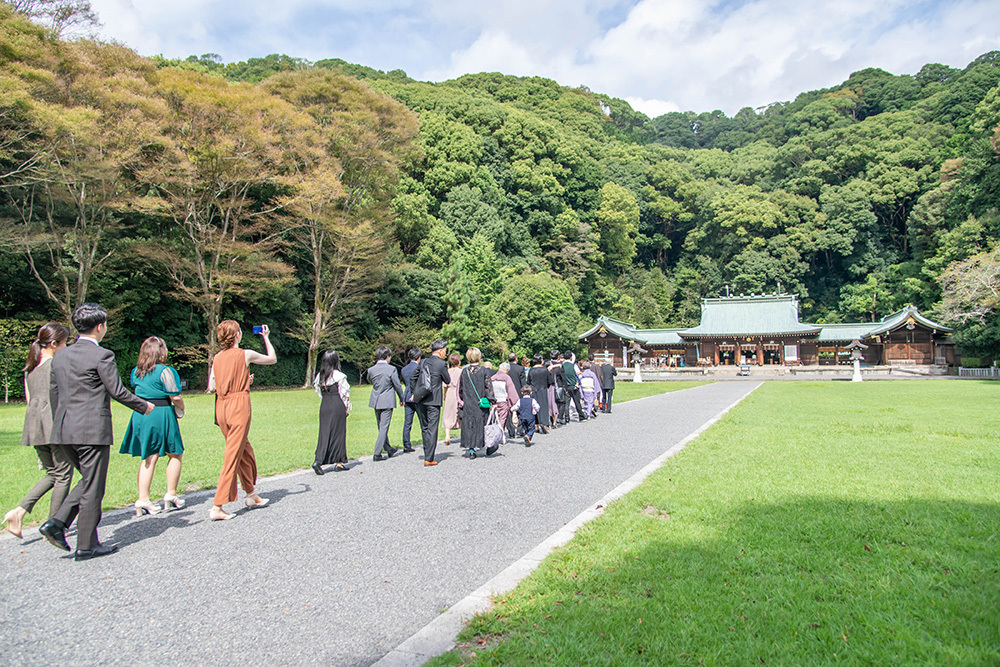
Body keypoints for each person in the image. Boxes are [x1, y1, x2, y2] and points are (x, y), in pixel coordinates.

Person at [39, 304, 153, 561]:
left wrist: (60, 424)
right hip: (91, 430)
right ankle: (85, 544)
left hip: (63, 429)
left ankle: (57, 524)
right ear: (100, 327)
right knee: (93, 487)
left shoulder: (60, 356)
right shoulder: (102, 355)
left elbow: (54, 394)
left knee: (89, 481)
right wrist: (142, 405)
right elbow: (117, 390)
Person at [4, 324, 72, 539]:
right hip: (53, 423)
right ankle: (53, 525)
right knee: (63, 475)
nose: (66, 347)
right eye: (64, 343)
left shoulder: (30, 368)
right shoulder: (55, 366)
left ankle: (19, 512)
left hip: (35, 425)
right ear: (53, 344)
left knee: (53, 473)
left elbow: (29, 398)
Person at [207, 321, 276, 521]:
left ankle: (251, 494)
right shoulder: (245, 354)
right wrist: (266, 337)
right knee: (232, 454)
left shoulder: (217, 358)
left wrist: (242, 379)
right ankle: (217, 505)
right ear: (237, 334)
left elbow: (212, 386)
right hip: (238, 405)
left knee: (244, 450)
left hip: (221, 406)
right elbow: (272, 358)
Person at [118, 337, 186, 516]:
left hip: (141, 413)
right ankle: (171, 494)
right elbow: (175, 396)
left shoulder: (136, 372)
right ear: (160, 352)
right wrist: (181, 408)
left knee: (149, 457)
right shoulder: (165, 371)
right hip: (161, 412)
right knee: (175, 453)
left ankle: (143, 498)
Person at [415, 340, 451, 466]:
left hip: (421, 399)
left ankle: (427, 453)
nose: (445, 354)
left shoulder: (423, 361)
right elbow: (447, 380)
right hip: (434, 399)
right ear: (440, 351)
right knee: (432, 428)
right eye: (445, 351)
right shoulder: (441, 364)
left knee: (424, 427)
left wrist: (415, 391)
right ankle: (429, 458)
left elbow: (413, 376)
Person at [313, 350, 350, 474]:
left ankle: (318, 460)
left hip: (325, 405)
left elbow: (318, 392)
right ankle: (338, 462)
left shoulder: (320, 376)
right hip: (336, 404)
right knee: (338, 433)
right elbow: (344, 393)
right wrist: (346, 407)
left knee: (324, 433)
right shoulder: (339, 375)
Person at [367, 345, 404, 461]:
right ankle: (377, 453)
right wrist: (402, 397)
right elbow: (397, 385)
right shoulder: (391, 369)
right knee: (384, 427)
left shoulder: (371, 369)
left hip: (376, 399)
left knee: (380, 426)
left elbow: (369, 380)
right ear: (388, 356)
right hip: (387, 400)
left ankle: (388, 448)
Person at [459, 348, 494, 457]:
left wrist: (462, 399)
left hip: (469, 402)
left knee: (470, 425)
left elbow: (461, 388)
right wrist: (492, 400)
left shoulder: (464, 371)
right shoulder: (484, 371)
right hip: (481, 402)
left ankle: (471, 449)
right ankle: (486, 445)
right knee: (483, 424)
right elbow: (488, 387)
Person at [400, 348, 421, 453]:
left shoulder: (404, 369)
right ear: (419, 357)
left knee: (407, 422)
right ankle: (427, 441)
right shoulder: (419, 367)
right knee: (423, 421)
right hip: (417, 396)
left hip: (407, 396)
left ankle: (406, 444)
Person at [492, 362, 519, 439]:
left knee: (494, 418)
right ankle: (499, 436)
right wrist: (515, 402)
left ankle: (494, 434)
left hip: (494, 401)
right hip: (503, 400)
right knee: (502, 418)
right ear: (506, 370)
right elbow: (511, 390)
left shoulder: (493, 377)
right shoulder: (506, 377)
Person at [527, 354, 552, 434]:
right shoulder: (545, 370)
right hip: (543, 389)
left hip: (534, 390)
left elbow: (528, 381)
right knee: (544, 407)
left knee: (534, 408)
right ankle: (544, 424)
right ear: (541, 360)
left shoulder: (531, 370)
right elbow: (550, 381)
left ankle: (536, 425)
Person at [442, 352, 462, 447]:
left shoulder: (447, 371)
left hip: (450, 391)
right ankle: (463, 434)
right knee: (459, 412)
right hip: (458, 393)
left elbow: (445, 385)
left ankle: (447, 436)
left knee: (448, 413)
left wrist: (444, 394)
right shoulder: (461, 372)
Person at [563, 350, 586, 422]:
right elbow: (579, 374)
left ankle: (567, 417)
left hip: (566, 386)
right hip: (573, 385)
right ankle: (581, 415)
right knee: (577, 402)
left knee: (567, 403)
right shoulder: (573, 365)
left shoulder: (562, 365)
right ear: (570, 358)